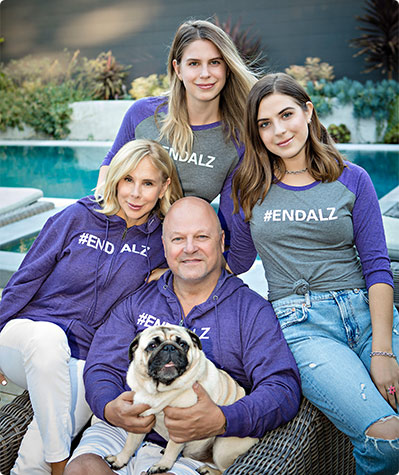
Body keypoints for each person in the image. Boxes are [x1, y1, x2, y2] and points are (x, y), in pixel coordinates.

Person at [227, 72, 399, 474]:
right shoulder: (248, 186)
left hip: (366, 313)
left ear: (307, 111)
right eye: (264, 124)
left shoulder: (352, 177)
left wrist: (382, 350)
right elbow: (236, 262)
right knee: (388, 439)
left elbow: (376, 267)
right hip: (303, 326)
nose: (279, 130)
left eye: (286, 114)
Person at [64, 196, 301, 475]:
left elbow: (282, 389)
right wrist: (109, 405)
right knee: (83, 469)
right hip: (127, 429)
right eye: (178, 239)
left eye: (201, 236)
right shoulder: (137, 300)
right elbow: (102, 364)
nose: (190, 249)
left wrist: (223, 419)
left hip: (198, 446)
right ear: (165, 246)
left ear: (221, 241)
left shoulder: (250, 310)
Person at [0, 139, 182, 475]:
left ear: (164, 186)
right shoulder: (77, 217)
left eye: (147, 183)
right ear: (114, 178)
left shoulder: (161, 241)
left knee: (35, 452)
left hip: (85, 357)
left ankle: (42, 464)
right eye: (128, 179)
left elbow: (203, 263)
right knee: (47, 339)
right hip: (25, 337)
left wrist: (170, 272)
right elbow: (25, 278)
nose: (136, 194)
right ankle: (60, 465)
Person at [97, 19, 257, 240]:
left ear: (227, 69)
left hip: (183, 246)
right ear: (177, 69)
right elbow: (112, 162)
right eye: (193, 64)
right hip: (123, 236)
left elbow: (232, 218)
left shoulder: (236, 139)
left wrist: (223, 266)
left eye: (215, 62)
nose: (205, 74)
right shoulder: (143, 114)